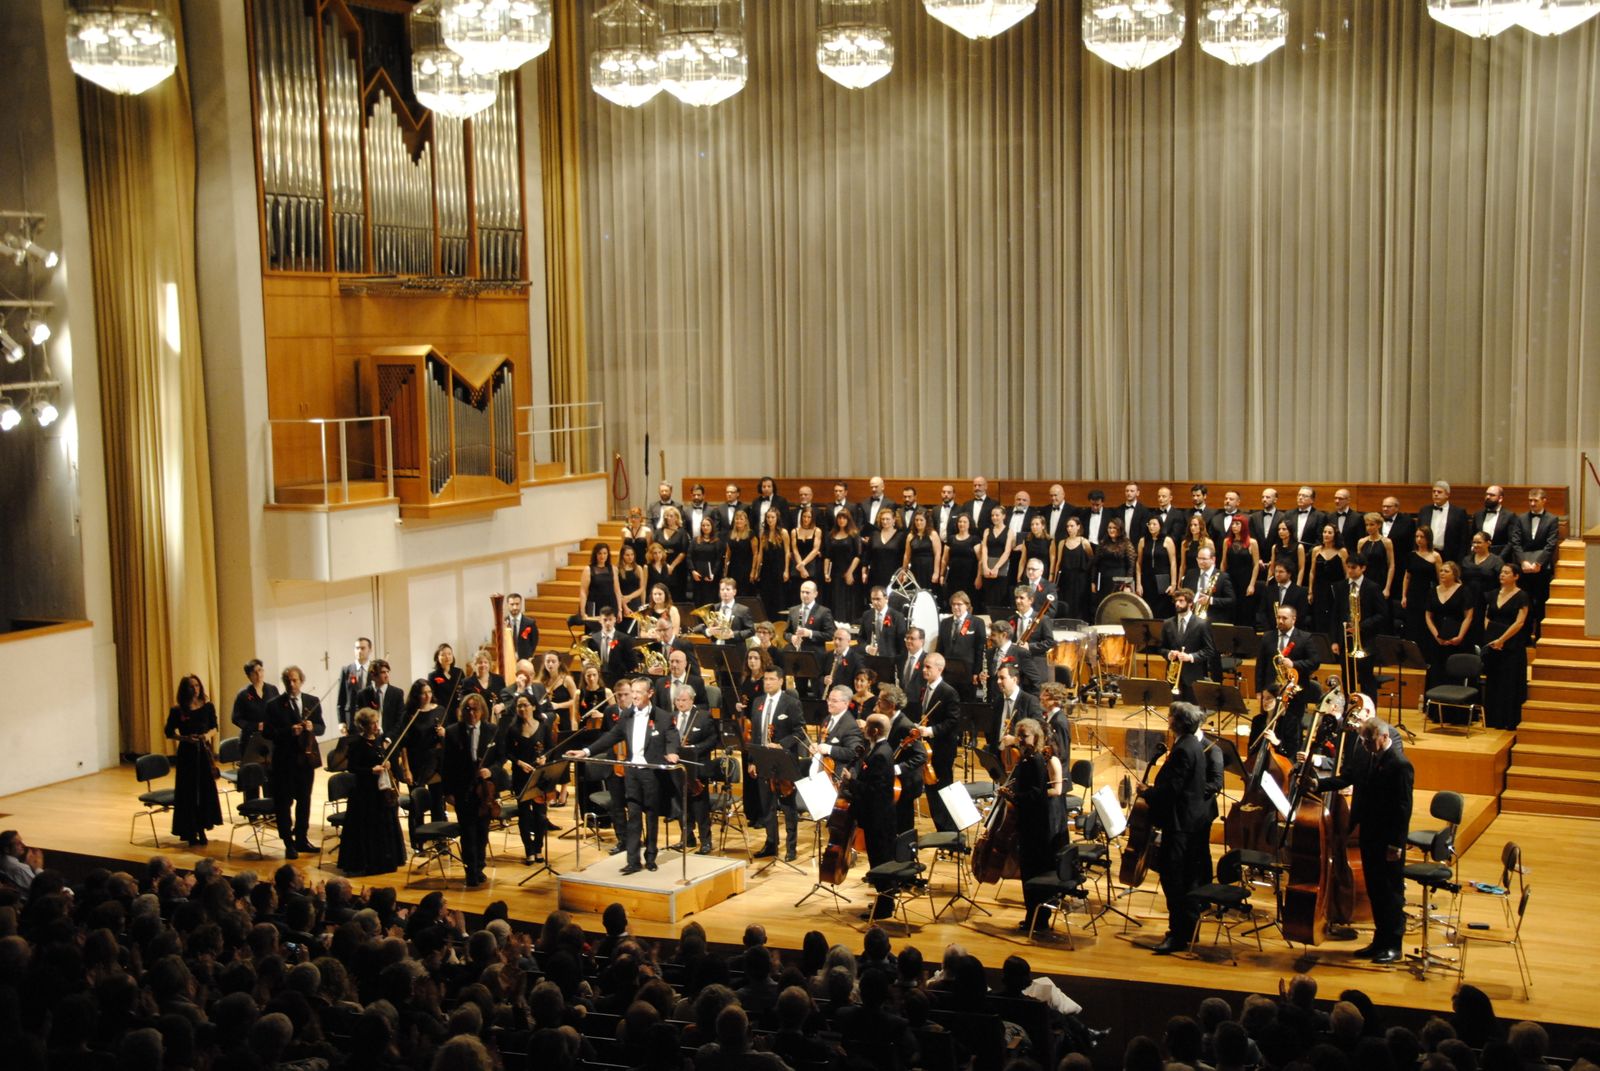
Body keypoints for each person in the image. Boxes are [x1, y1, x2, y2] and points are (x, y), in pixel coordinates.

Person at [1141, 702, 1211, 954]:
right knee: (1187, 879)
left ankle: (1178, 935)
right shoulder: (1194, 744)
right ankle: (1189, 931)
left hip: (1180, 824)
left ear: (1178, 721)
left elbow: (1172, 790)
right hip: (1192, 822)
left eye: (1170, 715)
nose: (1168, 719)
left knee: (1174, 879)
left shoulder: (1183, 749)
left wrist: (1148, 792)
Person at [1350, 718, 1413, 964]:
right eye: (1363, 740)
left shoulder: (1400, 765)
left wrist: (1396, 844)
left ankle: (1394, 945)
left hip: (1388, 841)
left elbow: (1403, 809)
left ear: (1384, 737)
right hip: (1371, 836)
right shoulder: (1372, 759)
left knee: (1391, 893)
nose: (1365, 745)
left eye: (1369, 740)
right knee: (1376, 890)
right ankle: (1380, 940)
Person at [1008, 717, 1068, 932]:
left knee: (1033, 873)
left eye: (1025, 736)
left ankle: (1038, 920)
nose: (1021, 740)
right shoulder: (1026, 759)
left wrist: (1014, 796)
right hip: (1029, 823)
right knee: (1028, 873)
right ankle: (1032, 917)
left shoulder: (1035, 761)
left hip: (1034, 826)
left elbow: (1037, 794)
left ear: (1036, 737)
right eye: (1019, 736)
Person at [336, 708, 406, 877]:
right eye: (372, 723)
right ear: (364, 726)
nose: (376, 726)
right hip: (365, 793)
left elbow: (381, 759)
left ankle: (385, 861)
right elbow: (352, 767)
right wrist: (370, 770)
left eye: (376, 722)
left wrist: (387, 764)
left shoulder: (379, 741)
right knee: (368, 828)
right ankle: (370, 863)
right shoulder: (357, 744)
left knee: (384, 825)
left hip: (380, 792)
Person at [744, 668, 805, 860]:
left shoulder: (791, 703)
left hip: (783, 759)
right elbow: (755, 734)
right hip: (763, 759)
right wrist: (752, 760)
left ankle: (791, 847)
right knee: (767, 804)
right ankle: (771, 843)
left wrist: (781, 744)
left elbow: (800, 731)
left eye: (771, 679)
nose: (767, 682)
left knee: (788, 806)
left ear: (780, 681)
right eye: (765, 679)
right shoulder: (758, 702)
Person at [264, 666, 324, 858]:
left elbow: (321, 727)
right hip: (284, 761)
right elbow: (268, 732)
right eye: (288, 681)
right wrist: (289, 731)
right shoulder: (273, 705)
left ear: (301, 681)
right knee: (284, 803)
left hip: (305, 759)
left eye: (295, 680)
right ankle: (288, 842)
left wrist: (312, 726)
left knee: (304, 800)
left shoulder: (312, 701)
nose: (291, 684)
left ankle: (301, 838)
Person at [443, 693, 499, 887]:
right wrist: (448, 792)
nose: (471, 713)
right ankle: (471, 871)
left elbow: (501, 758)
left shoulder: (492, 730)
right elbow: (446, 764)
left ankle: (479, 867)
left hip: (485, 791)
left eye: (475, 709)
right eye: (467, 709)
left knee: (483, 832)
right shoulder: (453, 732)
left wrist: (490, 771)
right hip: (463, 789)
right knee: (468, 833)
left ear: (482, 711)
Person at [1253, 606, 1322, 757]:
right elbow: (1260, 666)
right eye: (1278, 617)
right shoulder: (1267, 637)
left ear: (1293, 619)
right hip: (1270, 693)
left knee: (1292, 730)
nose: (1280, 621)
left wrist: (1294, 664)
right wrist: (1258, 691)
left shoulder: (1305, 638)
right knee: (1269, 726)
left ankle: (1290, 759)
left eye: (1284, 618)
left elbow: (1315, 662)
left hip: (1294, 694)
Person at [851, 711, 898, 921]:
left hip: (878, 819)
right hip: (880, 817)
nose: (864, 729)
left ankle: (884, 908)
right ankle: (884, 901)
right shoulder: (882, 749)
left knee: (880, 863)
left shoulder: (880, 754)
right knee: (880, 861)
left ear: (875, 730)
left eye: (867, 726)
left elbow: (874, 791)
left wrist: (851, 782)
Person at [166, 674, 222, 847]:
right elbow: (169, 732)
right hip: (187, 754)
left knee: (204, 790)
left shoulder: (208, 706)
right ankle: (190, 830)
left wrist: (206, 735)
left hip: (203, 751)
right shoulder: (178, 710)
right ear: (185, 689)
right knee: (188, 792)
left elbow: (214, 727)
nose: (195, 689)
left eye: (197, 685)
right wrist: (184, 738)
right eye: (191, 686)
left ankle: (202, 827)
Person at [499, 692, 555, 864]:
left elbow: (550, 748)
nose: (522, 709)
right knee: (524, 815)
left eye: (525, 705)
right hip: (520, 777)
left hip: (539, 777)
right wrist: (519, 762)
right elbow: (507, 752)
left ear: (534, 706)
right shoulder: (513, 729)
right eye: (519, 706)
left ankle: (538, 849)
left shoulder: (544, 726)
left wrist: (545, 757)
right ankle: (529, 850)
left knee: (540, 816)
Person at [1481, 563, 1530, 729]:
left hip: (1512, 644)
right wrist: (1492, 638)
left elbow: (1520, 622)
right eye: (1501, 572)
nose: (1502, 575)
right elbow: (1487, 617)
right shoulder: (1493, 594)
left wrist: (1502, 639)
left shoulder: (1522, 596)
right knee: (1494, 680)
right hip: (1494, 644)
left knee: (1509, 681)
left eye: (1507, 573)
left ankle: (1508, 720)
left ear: (1516, 576)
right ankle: (1492, 719)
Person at [671, 683, 718, 854]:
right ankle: (687, 837)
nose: (680, 703)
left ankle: (706, 840)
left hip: (697, 768)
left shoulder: (703, 716)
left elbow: (713, 740)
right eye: (678, 700)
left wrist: (695, 749)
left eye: (684, 700)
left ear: (691, 700)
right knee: (681, 805)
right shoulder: (672, 717)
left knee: (700, 806)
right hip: (677, 767)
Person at [1332, 557, 1387, 698]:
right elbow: (1336, 615)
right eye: (1348, 567)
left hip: (1366, 640)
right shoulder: (1341, 586)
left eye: (1353, 567)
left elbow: (1382, 614)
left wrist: (1360, 626)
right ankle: (1350, 706)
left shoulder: (1372, 587)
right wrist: (1335, 640)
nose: (1350, 570)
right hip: (1346, 640)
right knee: (1347, 677)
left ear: (1363, 568)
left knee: (1366, 677)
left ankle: (1368, 708)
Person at [399, 679, 448, 835]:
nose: (427, 696)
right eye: (423, 693)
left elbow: (450, 735)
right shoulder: (409, 715)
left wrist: (444, 733)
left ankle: (439, 838)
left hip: (435, 762)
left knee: (437, 802)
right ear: (416, 696)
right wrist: (406, 769)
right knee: (417, 804)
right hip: (416, 763)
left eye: (429, 692)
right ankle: (418, 839)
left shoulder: (440, 710)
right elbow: (403, 744)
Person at [879, 683, 928, 836]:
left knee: (903, 826)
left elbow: (921, 755)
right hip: (895, 783)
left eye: (881, 701)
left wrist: (897, 768)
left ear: (891, 705)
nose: (877, 703)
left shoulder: (905, 726)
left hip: (906, 784)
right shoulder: (888, 721)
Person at [230, 659, 278, 799]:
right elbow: (236, 718)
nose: (258, 674)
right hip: (250, 740)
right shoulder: (243, 694)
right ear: (249, 676)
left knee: (270, 776)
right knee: (252, 777)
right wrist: (256, 726)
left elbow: (278, 710)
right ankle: (252, 807)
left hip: (269, 739)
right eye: (254, 672)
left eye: (260, 670)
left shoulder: (272, 689)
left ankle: (270, 805)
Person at [1425, 561, 1475, 691]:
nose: (1442, 573)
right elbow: (1428, 616)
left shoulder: (1464, 590)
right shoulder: (1433, 591)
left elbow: (1468, 616)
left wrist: (1460, 636)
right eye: (1441, 571)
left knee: (1455, 672)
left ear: (1454, 575)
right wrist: (1436, 636)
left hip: (1458, 638)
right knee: (1437, 671)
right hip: (1438, 638)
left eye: (1446, 571)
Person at [1160, 589, 1216, 704]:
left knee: (1192, 711)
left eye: (1181, 601)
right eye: (1176, 601)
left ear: (1190, 603)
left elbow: (1209, 650)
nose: (1177, 604)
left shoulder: (1201, 624)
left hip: (1193, 676)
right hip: (1174, 677)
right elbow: (1161, 648)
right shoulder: (1167, 623)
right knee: (1175, 710)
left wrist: (1190, 657)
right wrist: (1169, 654)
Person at [936, 590, 984, 701]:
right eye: (953, 604)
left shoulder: (977, 622)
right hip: (948, 671)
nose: (956, 607)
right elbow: (940, 647)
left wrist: (976, 672)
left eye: (959, 604)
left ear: (967, 605)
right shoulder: (945, 623)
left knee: (966, 702)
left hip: (967, 673)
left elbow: (980, 649)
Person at [1307, 525, 1349, 644]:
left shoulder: (1342, 551)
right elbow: (1312, 572)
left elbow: (1347, 573)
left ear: (1335, 535)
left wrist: (1346, 590)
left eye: (1329, 532)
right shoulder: (1316, 550)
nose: (1326, 534)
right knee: (1319, 617)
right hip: (1319, 588)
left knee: (1334, 617)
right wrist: (1310, 591)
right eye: (1324, 532)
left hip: (1336, 589)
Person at [1460, 531, 1505, 638]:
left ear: (1488, 543)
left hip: (1486, 600)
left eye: (1479, 542)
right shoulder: (1466, 559)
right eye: (1474, 542)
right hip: (1468, 598)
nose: (1475, 545)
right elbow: (1461, 579)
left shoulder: (1496, 561)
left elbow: (1501, 581)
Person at [1417, 481, 1471, 563]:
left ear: (1447, 495)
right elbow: (1418, 533)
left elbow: (1464, 539)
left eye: (1439, 492)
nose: (1436, 494)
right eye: (1434, 491)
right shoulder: (1424, 510)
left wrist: (1460, 560)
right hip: (1427, 554)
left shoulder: (1459, 512)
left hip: (1450, 555)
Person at [1354, 513, 1396, 616]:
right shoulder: (1361, 542)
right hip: (1365, 580)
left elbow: (1391, 565)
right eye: (1367, 525)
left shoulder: (1387, 542)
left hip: (1380, 580)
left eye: (1372, 524)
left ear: (1379, 525)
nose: (1368, 527)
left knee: (1380, 611)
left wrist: (1387, 588)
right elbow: (1358, 564)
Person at [1221, 514, 1259, 627]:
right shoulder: (1227, 542)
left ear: (1244, 526)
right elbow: (1223, 562)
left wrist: (1252, 584)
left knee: (1245, 610)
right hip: (1230, 579)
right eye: (1233, 524)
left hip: (1245, 580)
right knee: (1231, 608)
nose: (1234, 526)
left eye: (1237, 524)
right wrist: (1221, 580)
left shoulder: (1252, 542)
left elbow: (1256, 565)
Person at [1184, 544, 1235, 627]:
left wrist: (1210, 600)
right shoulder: (1190, 574)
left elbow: (1231, 600)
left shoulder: (1222, 577)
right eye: (1199, 558)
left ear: (1213, 559)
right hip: (1192, 620)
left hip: (1213, 620)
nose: (1200, 562)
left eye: (1204, 559)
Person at [754, 507, 791, 621]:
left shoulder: (783, 532)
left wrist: (786, 570)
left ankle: (779, 622)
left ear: (777, 518)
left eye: (772, 517)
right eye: (768, 517)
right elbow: (760, 554)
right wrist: (757, 571)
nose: (770, 520)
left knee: (779, 597)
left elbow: (787, 552)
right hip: (766, 570)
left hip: (779, 569)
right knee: (766, 597)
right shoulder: (763, 533)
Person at [1055, 515, 1095, 620]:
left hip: (1081, 578)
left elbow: (1092, 560)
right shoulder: (1062, 542)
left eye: (1072, 526)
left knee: (1079, 604)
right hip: (1066, 578)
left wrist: (1091, 579)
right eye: (1067, 526)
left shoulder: (1084, 542)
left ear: (1078, 526)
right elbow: (1058, 563)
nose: (1069, 529)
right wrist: (1055, 581)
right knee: (1067, 602)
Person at [585, 606, 638, 684]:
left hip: (618, 679)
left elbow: (632, 662)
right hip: (598, 680)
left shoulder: (625, 639)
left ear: (615, 620)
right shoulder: (593, 639)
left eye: (610, 619)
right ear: (600, 620)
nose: (608, 623)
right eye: (605, 620)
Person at [979, 504, 1016, 614]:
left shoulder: (1009, 531)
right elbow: (984, 549)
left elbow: (1007, 551)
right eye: (992, 515)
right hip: (987, 566)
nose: (994, 517)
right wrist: (985, 566)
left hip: (1001, 567)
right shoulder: (987, 530)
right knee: (987, 596)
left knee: (1000, 596)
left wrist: (996, 567)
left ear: (1003, 516)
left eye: (997, 515)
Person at [1256, 558, 1311, 631]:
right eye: (1276, 571)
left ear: (1289, 574)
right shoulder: (1268, 590)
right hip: (1271, 631)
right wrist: (1269, 630)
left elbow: (1301, 615)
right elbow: (1262, 612)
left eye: (1281, 572)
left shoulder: (1300, 592)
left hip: (1292, 632)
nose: (1277, 574)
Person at [941, 513, 981, 612]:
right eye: (960, 522)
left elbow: (980, 561)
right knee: (953, 600)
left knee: (969, 601)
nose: (962, 524)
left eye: (964, 522)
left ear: (969, 524)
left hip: (970, 578)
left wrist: (979, 577)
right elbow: (944, 559)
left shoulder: (974, 539)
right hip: (953, 577)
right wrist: (942, 575)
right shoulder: (951, 539)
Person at [1093, 518, 1135, 610]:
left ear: (1120, 529)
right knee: (1104, 607)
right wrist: (1093, 582)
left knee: (1118, 607)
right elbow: (1096, 564)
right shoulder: (1103, 543)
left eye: (1114, 528)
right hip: (1104, 580)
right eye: (1109, 528)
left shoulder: (1126, 543)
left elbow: (1131, 566)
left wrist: (1127, 584)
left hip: (1120, 580)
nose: (1111, 530)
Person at [358, 659, 405, 740]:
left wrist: (389, 738)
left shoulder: (397, 693)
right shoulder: (362, 694)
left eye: (387, 672)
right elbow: (360, 720)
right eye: (383, 672)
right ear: (373, 675)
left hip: (391, 739)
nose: (387, 675)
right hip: (370, 739)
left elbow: (400, 721)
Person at [860, 585, 908, 661]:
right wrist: (867, 648)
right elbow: (861, 638)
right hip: (870, 659)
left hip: (890, 660)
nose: (875, 602)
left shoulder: (897, 617)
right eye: (873, 599)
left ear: (886, 599)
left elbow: (902, 644)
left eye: (878, 599)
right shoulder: (867, 615)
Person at [790, 505, 824, 607]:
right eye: (804, 516)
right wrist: (801, 567)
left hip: (811, 565)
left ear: (812, 518)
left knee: (811, 594)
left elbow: (815, 550)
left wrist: (803, 564)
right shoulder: (794, 531)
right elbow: (795, 550)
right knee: (796, 595)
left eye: (809, 517)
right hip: (797, 565)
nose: (806, 519)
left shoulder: (817, 531)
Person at [864, 508, 906, 590]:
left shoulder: (901, 536)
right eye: (883, 519)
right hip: (875, 575)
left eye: (887, 519)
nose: (885, 521)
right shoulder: (874, 534)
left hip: (894, 575)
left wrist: (903, 573)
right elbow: (867, 554)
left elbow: (904, 556)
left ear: (894, 520)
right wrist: (864, 572)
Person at [336, 637, 374, 727]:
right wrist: (341, 722)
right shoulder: (346, 670)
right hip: (351, 718)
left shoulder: (375, 669)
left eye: (363, 648)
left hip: (371, 717)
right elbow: (341, 698)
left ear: (370, 650)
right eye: (357, 648)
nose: (359, 651)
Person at [689, 515, 725, 608]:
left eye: (708, 525)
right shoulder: (695, 541)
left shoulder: (717, 542)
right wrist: (693, 571)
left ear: (712, 526)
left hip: (711, 577)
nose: (705, 527)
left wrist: (713, 573)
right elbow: (689, 557)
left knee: (710, 601)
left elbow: (719, 559)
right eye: (703, 525)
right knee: (698, 600)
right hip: (697, 576)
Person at [656, 506, 691, 602]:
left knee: (677, 594)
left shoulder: (682, 532)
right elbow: (655, 547)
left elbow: (683, 552)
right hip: (661, 565)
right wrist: (664, 564)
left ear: (676, 518)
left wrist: (671, 566)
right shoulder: (659, 531)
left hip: (678, 567)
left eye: (671, 516)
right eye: (666, 516)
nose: (668, 518)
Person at [578, 543, 616, 624]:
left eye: (605, 553)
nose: (602, 556)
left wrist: (620, 609)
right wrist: (582, 610)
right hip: (594, 605)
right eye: (599, 553)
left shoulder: (613, 568)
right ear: (595, 554)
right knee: (594, 630)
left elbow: (617, 590)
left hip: (610, 604)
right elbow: (583, 591)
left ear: (608, 554)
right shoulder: (588, 569)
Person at [724, 510, 758, 597]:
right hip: (733, 569)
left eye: (741, 519)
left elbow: (755, 554)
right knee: (733, 593)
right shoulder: (730, 534)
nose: (738, 521)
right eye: (737, 519)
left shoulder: (751, 534)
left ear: (746, 521)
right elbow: (728, 553)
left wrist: (753, 571)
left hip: (747, 569)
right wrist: (725, 570)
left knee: (745, 594)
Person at [504, 592, 539, 661]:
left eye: (517, 604)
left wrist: (528, 655)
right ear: (507, 605)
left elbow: (534, 641)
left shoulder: (530, 623)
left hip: (525, 659)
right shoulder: (503, 623)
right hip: (508, 659)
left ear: (521, 604)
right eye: (512, 604)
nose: (515, 607)